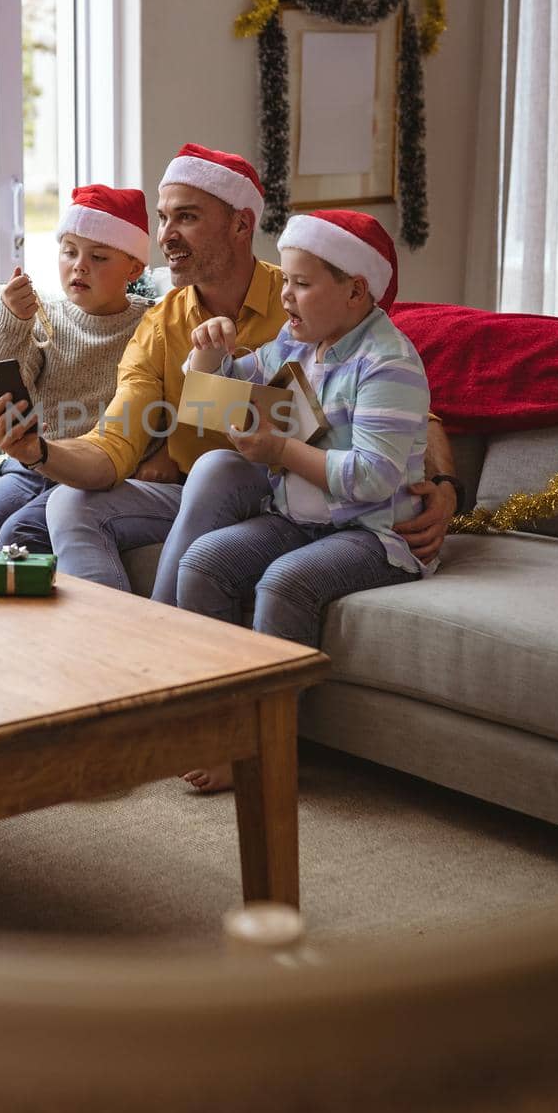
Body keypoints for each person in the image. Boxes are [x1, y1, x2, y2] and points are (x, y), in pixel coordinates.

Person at [0, 143, 458, 588]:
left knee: (219, 466)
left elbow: (414, 413)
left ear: (241, 225)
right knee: (68, 503)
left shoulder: (308, 298)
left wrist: (443, 486)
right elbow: (113, 445)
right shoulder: (159, 326)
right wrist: (39, 453)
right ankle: (120, 648)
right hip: (198, 495)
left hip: (287, 491)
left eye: (187, 218)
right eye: (163, 218)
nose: (166, 237)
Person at [172, 211, 433, 791]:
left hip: (375, 536)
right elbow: (215, 400)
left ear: (355, 289)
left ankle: (264, 749)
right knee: (204, 563)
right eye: (285, 280)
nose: (284, 295)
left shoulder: (387, 363)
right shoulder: (298, 342)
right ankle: (215, 729)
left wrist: (281, 449)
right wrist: (209, 355)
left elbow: (371, 477)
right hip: (298, 518)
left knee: (286, 582)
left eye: (302, 283)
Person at [0, 184, 151, 551]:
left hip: (93, 472)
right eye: (69, 252)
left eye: (99, 257)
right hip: (34, 467)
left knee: (17, 538)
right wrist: (11, 322)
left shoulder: (151, 324)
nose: (79, 266)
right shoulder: (47, 318)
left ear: (133, 267)